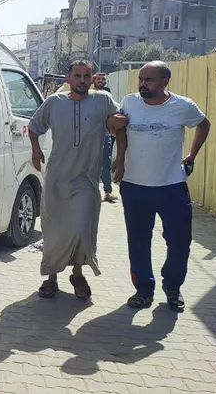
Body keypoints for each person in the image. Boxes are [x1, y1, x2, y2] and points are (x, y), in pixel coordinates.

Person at [112, 61, 210, 312]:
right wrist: (119, 159)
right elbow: (118, 129)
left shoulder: (183, 106)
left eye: (149, 80)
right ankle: (144, 290)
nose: (143, 84)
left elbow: (203, 124)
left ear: (165, 81)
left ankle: (173, 287)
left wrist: (191, 156)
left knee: (179, 241)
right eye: (141, 79)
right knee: (138, 241)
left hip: (171, 187)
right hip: (135, 187)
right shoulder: (130, 102)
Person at [28, 60, 127, 300]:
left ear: (92, 78)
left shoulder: (103, 100)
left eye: (87, 76)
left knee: (83, 227)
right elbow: (34, 126)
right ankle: (51, 278)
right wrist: (36, 150)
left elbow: (120, 123)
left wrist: (121, 157)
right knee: (54, 231)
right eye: (78, 76)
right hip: (57, 179)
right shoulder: (54, 103)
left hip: (86, 179)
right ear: (68, 79)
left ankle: (77, 273)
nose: (82, 80)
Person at [92, 73, 118, 203]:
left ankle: (108, 192)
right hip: (90, 135)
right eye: (98, 79)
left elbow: (115, 111)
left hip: (105, 134)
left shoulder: (108, 95)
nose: (101, 81)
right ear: (93, 80)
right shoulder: (88, 94)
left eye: (103, 79)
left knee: (106, 163)